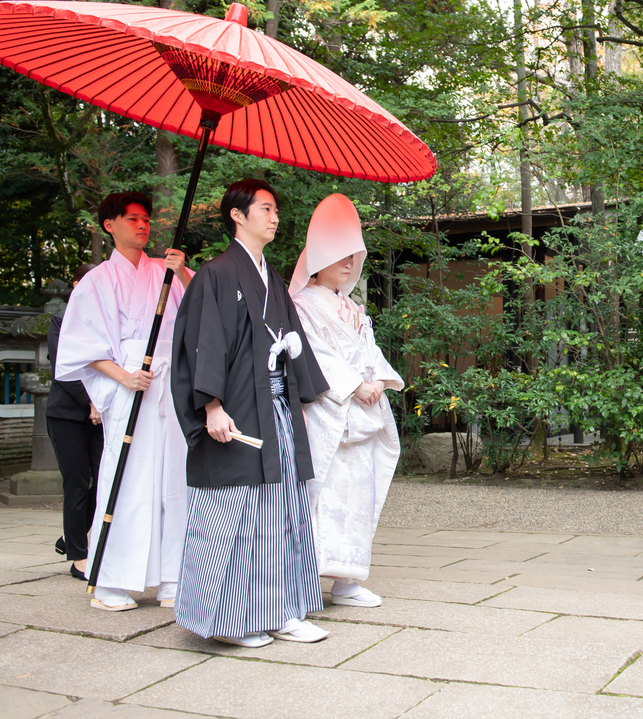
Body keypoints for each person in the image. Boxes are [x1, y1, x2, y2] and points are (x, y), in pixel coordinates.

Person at [171, 179, 330, 648]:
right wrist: (211, 405)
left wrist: (301, 399)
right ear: (237, 216)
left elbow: (292, 345)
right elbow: (201, 343)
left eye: (276, 209)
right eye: (265, 208)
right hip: (236, 410)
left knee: (282, 509)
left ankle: (282, 610)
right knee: (232, 510)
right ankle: (227, 621)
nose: (275, 216)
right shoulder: (215, 274)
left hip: (273, 406)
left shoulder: (273, 279)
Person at [56, 193, 192, 611]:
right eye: (132, 218)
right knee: (128, 480)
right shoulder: (98, 280)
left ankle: (173, 577)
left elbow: (199, 313)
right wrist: (123, 376)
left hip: (168, 381)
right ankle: (112, 581)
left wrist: (183, 273)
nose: (142, 225)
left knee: (176, 481)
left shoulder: (164, 271)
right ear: (109, 225)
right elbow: (81, 346)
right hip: (128, 383)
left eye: (146, 219)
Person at [289, 194, 404, 608]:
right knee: (324, 497)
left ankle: (346, 581)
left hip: (362, 415)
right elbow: (315, 355)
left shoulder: (352, 307)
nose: (348, 263)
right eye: (339, 255)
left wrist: (379, 381)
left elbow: (370, 352)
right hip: (328, 413)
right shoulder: (302, 306)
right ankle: (302, 583)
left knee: (358, 497)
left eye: (353, 256)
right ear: (317, 259)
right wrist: (355, 384)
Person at [47, 263, 104, 580]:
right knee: (78, 483)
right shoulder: (61, 320)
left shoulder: (103, 324)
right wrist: (90, 402)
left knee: (107, 480)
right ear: (77, 284)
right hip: (67, 414)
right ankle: (79, 558)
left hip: (99, 416)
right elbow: (63, 369)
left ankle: (74, 535)